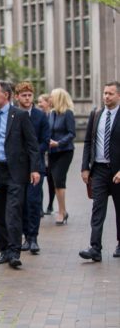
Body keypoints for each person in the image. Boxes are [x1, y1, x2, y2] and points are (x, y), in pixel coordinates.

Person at [0, 80, 40, 269]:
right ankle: (4, 251)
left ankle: (15, 251)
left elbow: (32, 144)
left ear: (6, 95)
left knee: (13, 213)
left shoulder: (20, 116)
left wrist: (35, 169)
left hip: (15, 171)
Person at [80, 81, 120, 261]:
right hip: (99, 170)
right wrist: (84, 167)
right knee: (98, 209)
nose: (106, 96)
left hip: (117, 171)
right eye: (105, 93)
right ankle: (95, 247)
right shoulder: (96, 114)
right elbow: (88, 141)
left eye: (110, 93)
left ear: (118, 95)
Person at [15, 82, 50, 254]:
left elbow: (45, 140)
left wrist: (34, 153)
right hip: (18, 167)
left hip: (36, 165)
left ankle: (34, 237)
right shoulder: (13, 115)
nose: (27, 98)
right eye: (24, 95)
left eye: (29, 95)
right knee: (20, 202)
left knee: (33, 201)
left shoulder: (40, 116)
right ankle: (25, 236)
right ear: (17, 97)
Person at [48, 88, 76, 225]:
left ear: (58, 98)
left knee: (59, 180)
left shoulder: (68, 114)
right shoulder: (51, 114)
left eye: (52, 97)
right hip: (52, 152)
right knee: (55, 182)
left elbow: (72, 134)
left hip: (64, 151)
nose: (49, 99)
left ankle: (61, 211)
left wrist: (58, 143)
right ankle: (63, 211)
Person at [37, 93, 55, 215]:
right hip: (43, 152)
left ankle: (50, 205)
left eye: (41, 102)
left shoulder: (53, 115)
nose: (39, 104)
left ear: (48, 102)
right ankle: (40, 207)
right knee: (41, 180)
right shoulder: (40, 116)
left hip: (52, 152)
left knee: (51, 180)